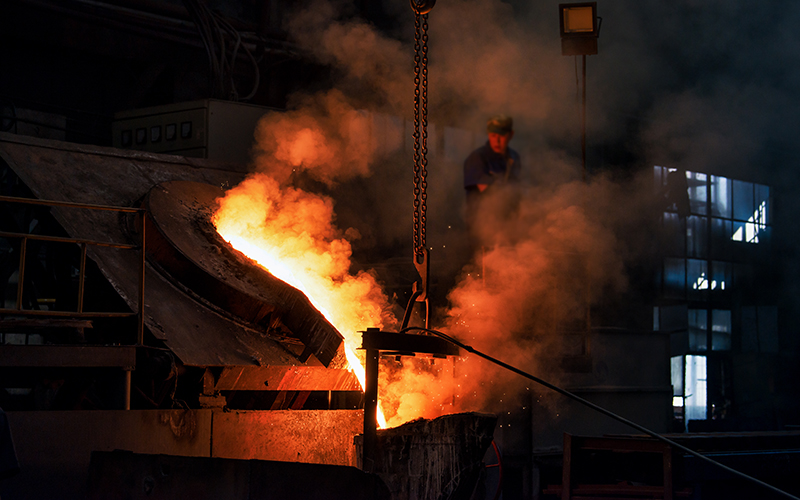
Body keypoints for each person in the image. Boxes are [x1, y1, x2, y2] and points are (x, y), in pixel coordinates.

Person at [463, 115, 521, 243]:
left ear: (511, 135)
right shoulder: (478, 158)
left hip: (509, 227)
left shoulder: (514, 158)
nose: (497, 141)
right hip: (482, 230)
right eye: (493, 136)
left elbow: (518, 191)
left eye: (501, 135)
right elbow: (491, 195)